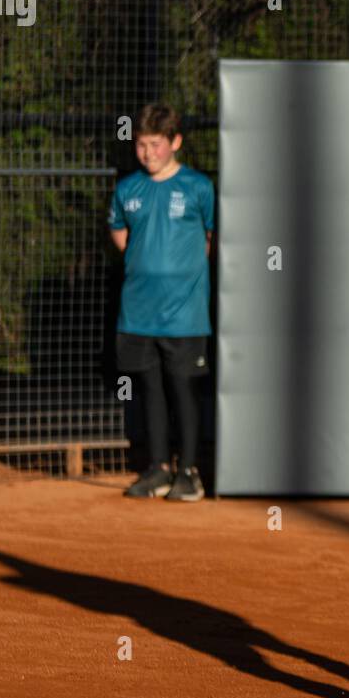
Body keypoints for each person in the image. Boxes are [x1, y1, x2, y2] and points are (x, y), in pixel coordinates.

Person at [108, 104, 215, 503]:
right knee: (148, 390)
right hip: (138, 311)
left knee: (184, 390)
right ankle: (157, 469)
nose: (147, 152)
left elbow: (210, 239)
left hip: (186, 315)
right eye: (140, 144)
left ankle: (188, 473)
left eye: (156, 144)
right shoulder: (127, 189)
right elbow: (119, 235)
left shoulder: (198, 187)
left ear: (175, 142)